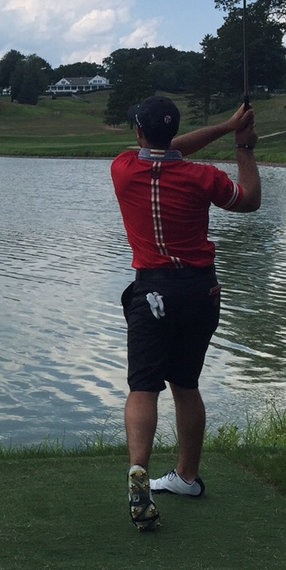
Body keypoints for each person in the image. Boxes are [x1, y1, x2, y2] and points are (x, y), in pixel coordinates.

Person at [111, 96, 260, 530]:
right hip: (199, 291)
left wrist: (226, 127)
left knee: (143, 388)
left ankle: (139, 472)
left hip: (152, 292)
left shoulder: (123, 168)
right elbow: (249, 199)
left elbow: (163, 149)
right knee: (186, 385)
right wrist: (242, 144)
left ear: (139, 133)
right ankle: (187, 478)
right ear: (172, 130)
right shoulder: (203, 177)